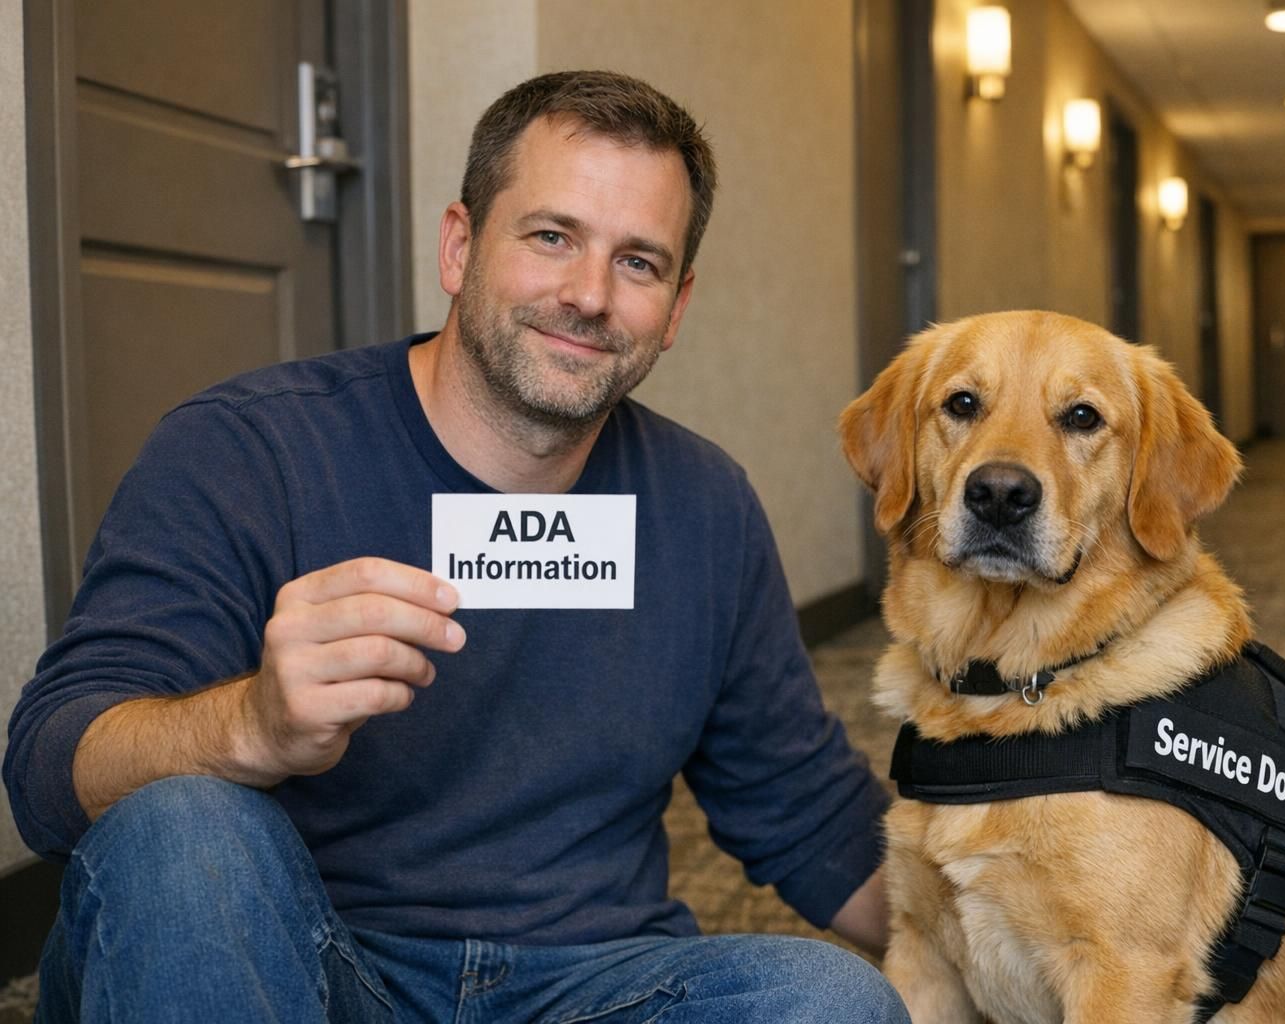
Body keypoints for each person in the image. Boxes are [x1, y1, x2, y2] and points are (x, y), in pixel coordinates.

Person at [5, 70, 908, 1024]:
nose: (589, 295)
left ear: (676, 308)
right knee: (182, 828)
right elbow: (49, 775)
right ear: (460, 244)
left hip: (585, 987)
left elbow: (804, 809)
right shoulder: (248, 449)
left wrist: (1049, 925)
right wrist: (251, 727)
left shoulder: (703, 505)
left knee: (831, 1002)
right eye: (551, 237)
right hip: (305, 970)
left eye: (638, 263)